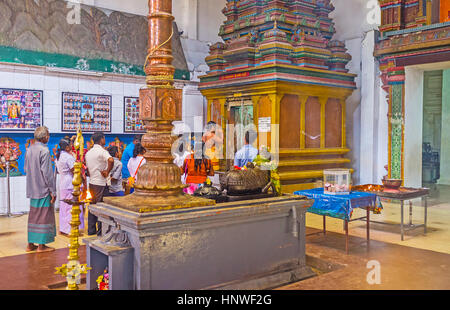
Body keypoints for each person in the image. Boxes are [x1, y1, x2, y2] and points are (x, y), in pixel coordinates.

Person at [24, 126, 57, 253]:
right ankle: (41, 246)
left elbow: (26, 169)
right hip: (43, 189)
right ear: (45, 137)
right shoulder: (45, 151)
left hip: (32, 188)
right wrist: (53, 191)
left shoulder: (29, 150)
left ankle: (30, 244)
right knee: (44, 216)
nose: (48, 137)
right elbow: (47, 174)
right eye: (48, 135)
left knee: (33, 215)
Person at [85, 132, 114, 236]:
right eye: (104, 138)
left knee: (92, 206)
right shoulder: (101, 151)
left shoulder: (89, 152)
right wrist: (107, 171)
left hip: (92, 182)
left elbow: (88, 169)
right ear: (101, 139)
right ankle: (100, 231)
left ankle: (91, 230)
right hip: (101, 183)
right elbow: (111, 160)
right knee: (101, 208)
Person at [55, 138, 84, 236]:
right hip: (71, 184)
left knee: (64, 208)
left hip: (63, 183)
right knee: (72, 207)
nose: (72, 146)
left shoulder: (59, 157)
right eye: (71, 144)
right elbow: (74, 171)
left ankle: (63, 229)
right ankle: (71, 229)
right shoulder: (68, 157)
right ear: (67, 147)